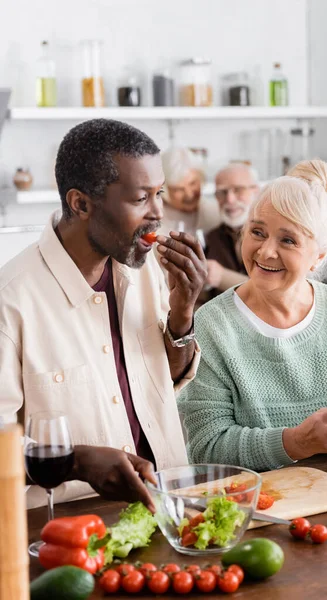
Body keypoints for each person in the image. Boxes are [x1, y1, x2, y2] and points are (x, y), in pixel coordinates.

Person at [0, 119, 207, 509]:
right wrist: (75, 461)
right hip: (68, 525)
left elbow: (168, 380)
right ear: (81, 204)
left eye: (159, 193)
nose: (158, 213)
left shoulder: (147, 274)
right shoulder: (11, 302)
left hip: (171, 506)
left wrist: (182, 315)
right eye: (140, 198)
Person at [178, 159, 327, 471]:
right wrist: (297, 442)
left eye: (288, 240)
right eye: (257, 232)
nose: (266, 251)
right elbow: (206, 448)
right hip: (262, 502)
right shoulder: (213, 325)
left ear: (319, 255)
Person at [205, 162, 259, 295]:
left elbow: (273, 295)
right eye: (222, 192)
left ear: (256, 192)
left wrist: (222, 277)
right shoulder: (212, 238)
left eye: (238, 190)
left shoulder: (272, 235)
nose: (229, 199)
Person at [159, 146, 219, 238]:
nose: (189, 194)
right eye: (179, 189)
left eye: (193, 183)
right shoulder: (154, 220)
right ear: (164, 190)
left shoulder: (216, 214)